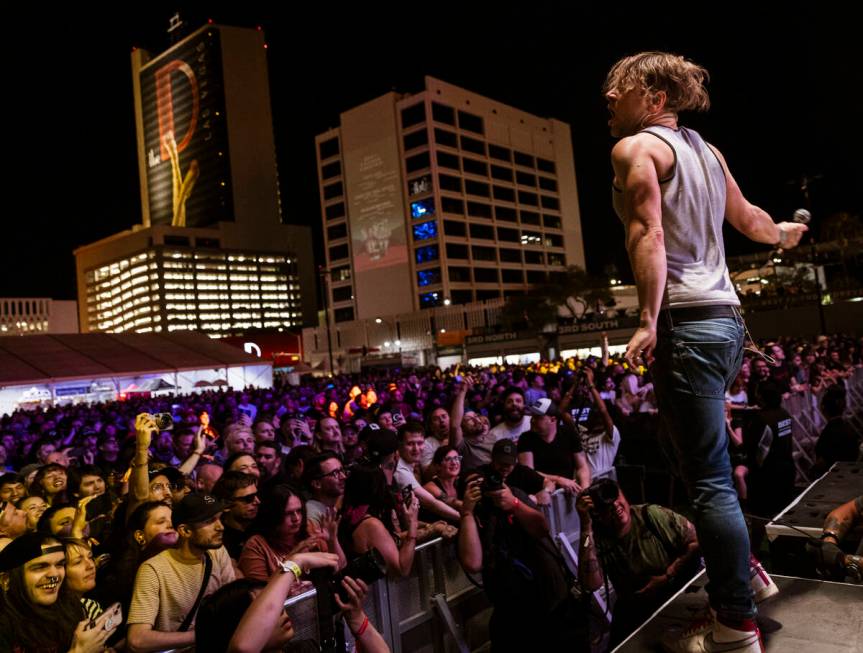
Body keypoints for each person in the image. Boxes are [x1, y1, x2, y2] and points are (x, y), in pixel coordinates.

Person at [604, 51, 807, 652]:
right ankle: (742, 567)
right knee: (684, 450)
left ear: (654, 98)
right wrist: (785, 232)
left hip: (687, 323)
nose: (608, 100)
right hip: (726, 325)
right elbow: (749, 220)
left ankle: (733, 624)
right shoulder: (708, 152)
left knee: (710, 479)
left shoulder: (636, 150)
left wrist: (646, 317)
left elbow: (648, 232)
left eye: (619, 89)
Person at [457, 471, 587, 651]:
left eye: (484, 481)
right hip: (510, 610)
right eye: (473, 486)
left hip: (548, 596)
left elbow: (542, 528)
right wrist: (467, 513)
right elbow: (473, 563)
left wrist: (513, 504)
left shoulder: (514, 494)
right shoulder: (470, 517)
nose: (482, 487)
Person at [127, 493, 236, 652]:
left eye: (219, 518)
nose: (220, 526)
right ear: (185, 531)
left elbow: (233, 604)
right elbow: (137, 639)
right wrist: (202, 635)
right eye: (209, 521)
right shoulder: (153, 570)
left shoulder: (216, 552)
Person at [0, 531, 121, 652]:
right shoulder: (5, 626)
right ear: (6, 580)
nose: (54, 575)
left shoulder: (71, 607)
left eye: (60, 564)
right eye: (40, 567)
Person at [517, 398, 591, 493]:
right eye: (533, 416)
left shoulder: (568, 433)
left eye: (538, 417)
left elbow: (582, 466)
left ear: (552, 420)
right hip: (540, 494)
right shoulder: (526, 439)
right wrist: (559, 480)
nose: (533, 420)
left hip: (567, 492)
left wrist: (585, 490)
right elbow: (528, 472)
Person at [212, 472, 261, 561]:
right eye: (249, 498)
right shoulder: (218, 541)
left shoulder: (263, 529)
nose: (257, 501)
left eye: (257, 495)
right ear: (226, 505)